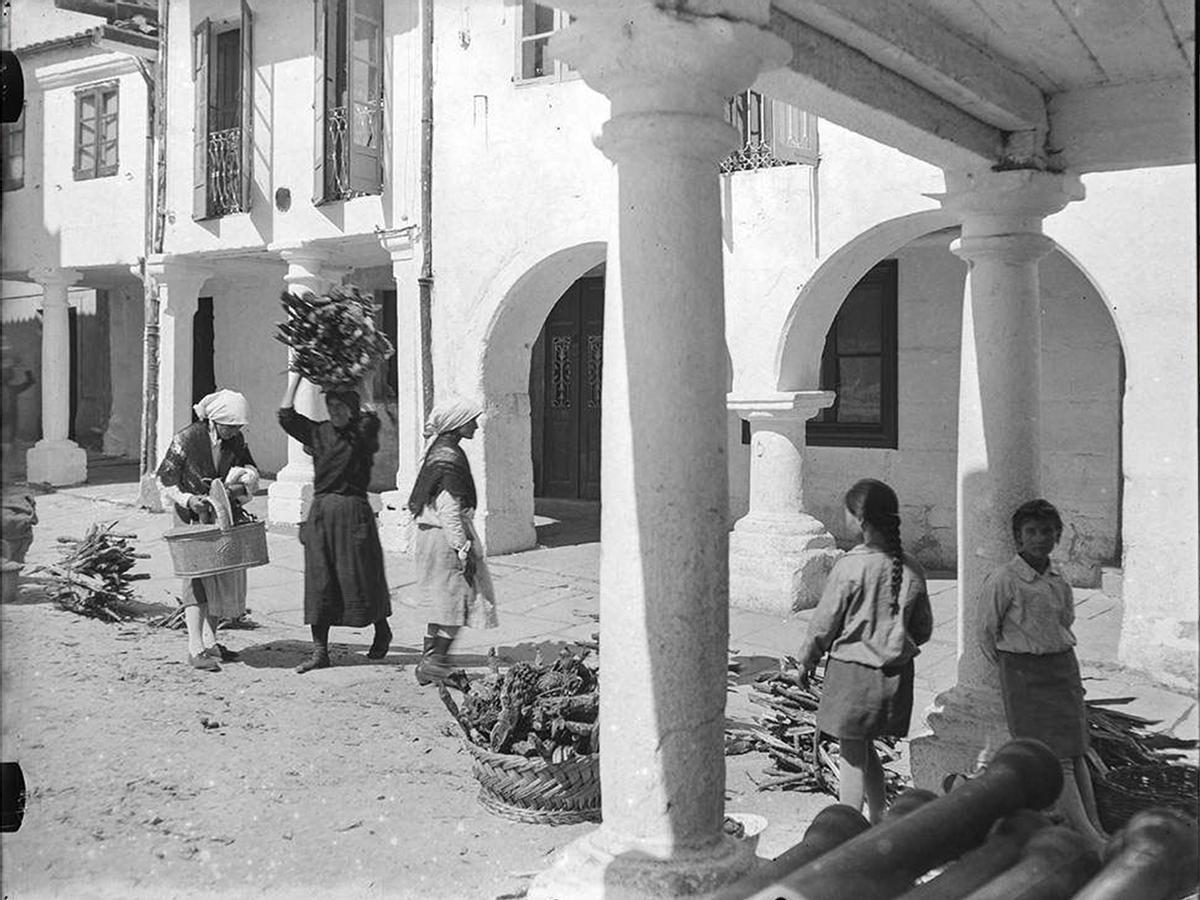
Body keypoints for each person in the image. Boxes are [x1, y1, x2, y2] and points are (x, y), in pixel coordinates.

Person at [797, 479, 933, 823]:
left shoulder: (850, 566)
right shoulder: (912, 567)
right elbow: (924, 629)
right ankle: (877, 817)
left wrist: (807, 659)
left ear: (860, 521)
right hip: (894, 680)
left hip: (852, 677)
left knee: (851, 757)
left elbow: (824, 624)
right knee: (865, 748)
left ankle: (846, 827)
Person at [977, 499, 1107, 851]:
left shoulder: (1057, 578)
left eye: (1047, 532)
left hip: (1061, 667)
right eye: (1031, 532)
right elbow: (987, 631)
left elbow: (1065, 620)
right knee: (1056, 757)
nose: (1039, 539)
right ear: (1017, 539)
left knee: (1077, 749)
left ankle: (1095, 825)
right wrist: (1011, 663)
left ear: (1058, 536)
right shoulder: (1005, 579)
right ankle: (1088, 838)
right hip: (1025, 674)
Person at [278, 371, 391, 673]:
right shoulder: (318, 433)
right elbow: (286, 416)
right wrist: (299, 376)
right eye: (331, 406)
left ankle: (382, 630)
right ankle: (320, 652)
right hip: (322, 514)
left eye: (342, 406)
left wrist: (365, 376)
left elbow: (370, 412)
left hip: (354, 512)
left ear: (352, 409)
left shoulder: (362, 433)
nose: (336, 411)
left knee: (362, 576)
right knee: (320, 579)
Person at [158, 389, 259, 671]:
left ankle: (211, 642)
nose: (235, 431)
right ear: (215, 421)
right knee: (197, 579)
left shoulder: (235, 440)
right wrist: (189, 499)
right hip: (191, 515)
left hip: (222, 513)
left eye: (239, 426)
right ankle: (194, 647)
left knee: (219, 577)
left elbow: (249, 467)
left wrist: (245, 477)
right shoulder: (186, 439)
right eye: (231, 426)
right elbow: (165, 481)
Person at [406, 398, 498, 685]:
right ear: (458, 424)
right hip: (445, 538)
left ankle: (428, 663)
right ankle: (435, 664)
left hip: (430, 536)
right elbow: (449, 509)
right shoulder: (450, 458)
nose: (475, 425)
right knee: (457, 604)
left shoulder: (437, 451)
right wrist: (462, 549)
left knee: (442, 603)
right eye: (470, 420)